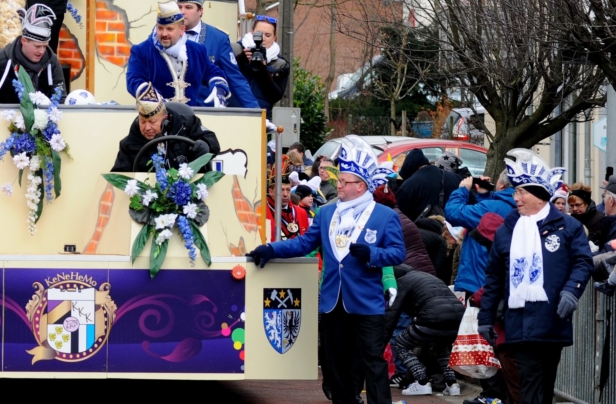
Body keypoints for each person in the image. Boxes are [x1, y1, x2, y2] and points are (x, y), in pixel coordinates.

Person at [248, 137, 405, 404]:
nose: (338, 185)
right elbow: (304, 243)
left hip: (367, 302)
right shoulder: (326, 213)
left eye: (344, 182)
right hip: (333, 301)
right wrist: (271, 249)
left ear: (361, 186)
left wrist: (373, 254)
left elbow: (398, 252)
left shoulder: (384, 216)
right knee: (335, 364)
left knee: (372, 363)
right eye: (339, 180)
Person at [479, 150, 591, 404]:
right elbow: (494, 277)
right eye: (515, 191)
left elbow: (583, 261)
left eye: (521, 192)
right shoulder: (507, 230)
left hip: (554, 318)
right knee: (528, 385)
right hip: (520, 322)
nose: (515, 197)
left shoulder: (568, 226)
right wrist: (485, 318)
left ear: (539, 196)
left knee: (546, 385)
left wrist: (572, 291)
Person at [383, 264, 465, 397]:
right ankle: (452, 384)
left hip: (433, 317)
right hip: (458, 318)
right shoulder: (426, 276)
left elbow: (392, 314)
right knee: (441, 346)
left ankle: (422, 382)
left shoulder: (402, 281)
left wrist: (381, 340)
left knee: (400, 343)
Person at [175, 0, 257, 108]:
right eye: (179, 7)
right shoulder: (163, 35)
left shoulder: (218, 38)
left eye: (188, 7)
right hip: (171, 110)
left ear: (201, 11)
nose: (182, 12)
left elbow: (235, 79)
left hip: (205, 110)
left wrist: (257, 114)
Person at [126, 1, 224, 107]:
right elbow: (134, 81)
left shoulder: (197, 50)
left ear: (182, 30)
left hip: (190, 118)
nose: (164, 34)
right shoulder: (141, 50)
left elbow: (213, 72)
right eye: (160, 28)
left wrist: (219, 88)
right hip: (156, 118)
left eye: (169, 29)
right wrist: (157, 101)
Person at [110, 83, 220, 172]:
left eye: (152, 122)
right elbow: (119, 176)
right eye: (143, 122)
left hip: (189, 192)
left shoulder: (188, 125)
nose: (147, 128)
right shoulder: (128, 144)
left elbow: (212, 141)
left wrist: (206, 145)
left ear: (165, 119)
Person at [0, 5, 64, 104]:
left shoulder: (52, 61)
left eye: (44, 46)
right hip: (1, 117)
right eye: (37, 46)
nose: (42, 51)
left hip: (42, 118)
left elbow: (60, 98)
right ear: (24, 41)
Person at [234, 16, 290, 118]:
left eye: (268, 35)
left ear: (275, 38)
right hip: (230, 112)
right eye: (258, 34)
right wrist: (240, 60)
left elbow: (275, 96)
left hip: (259, 116)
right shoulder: (234, 49)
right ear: (251, 33)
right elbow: (219, 74)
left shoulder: (280, 64)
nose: (262, 39)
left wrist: (263, 71)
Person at [395, 148, 457, 221]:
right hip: (455, 229)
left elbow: (401, 219)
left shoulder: (408, 186)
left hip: (421, 230)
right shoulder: (455, 178)